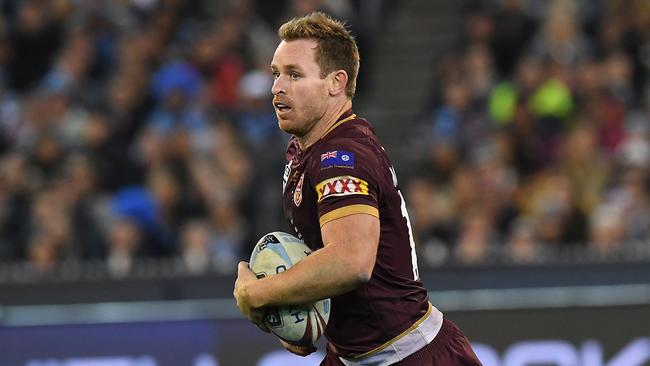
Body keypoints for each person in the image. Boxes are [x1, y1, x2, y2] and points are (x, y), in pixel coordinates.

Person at [233, 12, 482, 366]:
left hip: (410, 356)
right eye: (276, 73)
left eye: (294, 74)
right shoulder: (304, 148)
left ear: (336, 82)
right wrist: (306, 316)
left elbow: (351, 262)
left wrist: (256, 293)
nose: (277, 88)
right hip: (351, 355)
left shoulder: (341, 156)